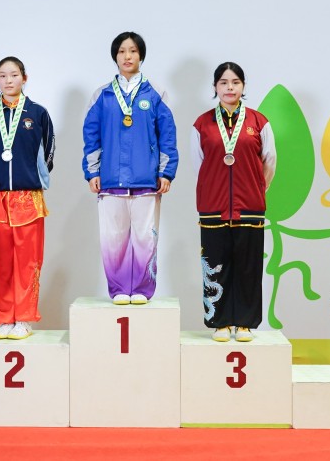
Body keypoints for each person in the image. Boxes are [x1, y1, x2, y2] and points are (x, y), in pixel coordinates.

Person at [82, 31, 178, 305]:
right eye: (122, 51)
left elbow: (167, 136)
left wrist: (165, 172)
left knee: (145, 237)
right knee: (113, 239)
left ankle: (142, 290)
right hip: (111, 180)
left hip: (146, 180)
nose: (127, 56)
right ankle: (119, 289)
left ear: (141, 56)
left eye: (133, 51)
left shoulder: (156, 93)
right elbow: (91, 136)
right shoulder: (102, 95)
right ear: (115, 56)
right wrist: (93, 172)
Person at [191, 62, 275, 342]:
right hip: (213, 207)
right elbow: (199, 165)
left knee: (248, 266)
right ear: (215, 87)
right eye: (224, 82)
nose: (230, 87)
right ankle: (221, 322)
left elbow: (269, 162)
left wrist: (255, 189)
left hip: (249, 206)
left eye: (235, 82)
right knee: (216, 264)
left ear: (243, 86)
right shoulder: (202, 124)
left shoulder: (259, 122)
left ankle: (245, 323)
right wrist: (214, 188)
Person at [0, 56, 55, 340]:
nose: (8, 80)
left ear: (24, 78)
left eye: (14, 74)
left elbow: (48, 151)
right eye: (3, 75)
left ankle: (24, 318)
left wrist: (29, 176)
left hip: (27, 196)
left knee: (27, 260)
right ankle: (4, 318)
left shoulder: (38, 113)